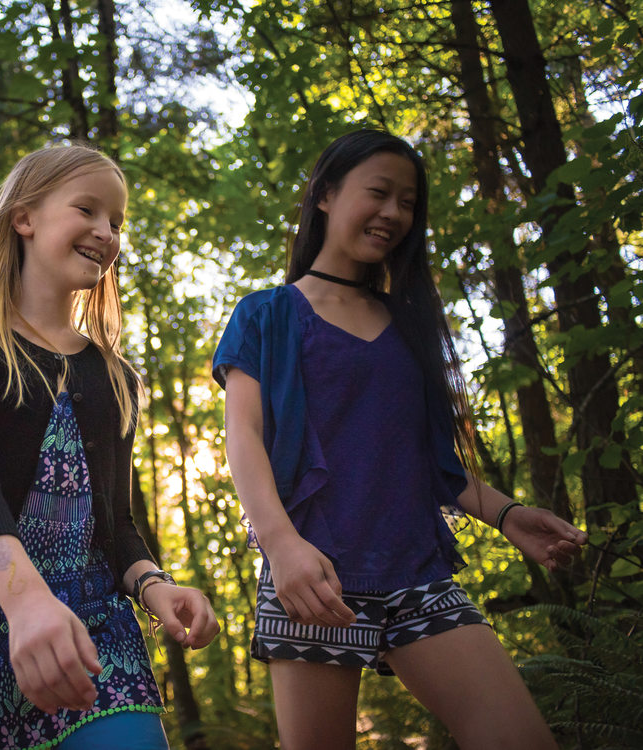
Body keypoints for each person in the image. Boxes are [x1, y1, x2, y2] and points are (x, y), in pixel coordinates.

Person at [212, 129, 587, 749]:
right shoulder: (267, 313)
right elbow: (243, 437)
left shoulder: (407, 322)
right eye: (378, 192)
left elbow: (433, 462)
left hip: (418, 571)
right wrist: (281, 547)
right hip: (314, 577)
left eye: (407, 202)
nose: (393, 213)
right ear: (327, 195)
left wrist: (511, 515)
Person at [0, 144, 220, 750]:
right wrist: (28, 604)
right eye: (88, 210)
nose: (106, 232)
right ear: (25, 218)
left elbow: (117, 526)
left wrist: (155, 586)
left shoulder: (115, 376)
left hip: (99, 625)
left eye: (116, 222)